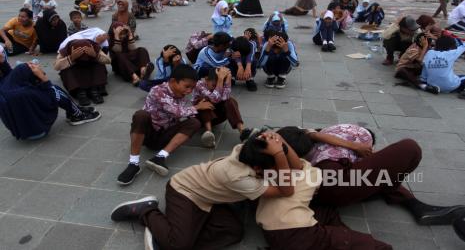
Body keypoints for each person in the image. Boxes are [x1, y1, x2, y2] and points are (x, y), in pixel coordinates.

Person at [111, 130, 299, 249]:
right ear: (259, 168)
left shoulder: (249, 150)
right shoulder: (238, 176)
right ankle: (147, 211)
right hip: (184, 190)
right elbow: (287, 191)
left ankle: (176, 231)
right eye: (276, 164)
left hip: (210, 197)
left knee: (233, 233)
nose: (281, 168)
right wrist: (279, 153)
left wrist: (279, 139)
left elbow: (297, 167)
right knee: (178, 244)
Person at [277, 125, 465, 229]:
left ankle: (415, 205)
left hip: (321, 181)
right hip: (333, 181)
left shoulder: (310, 132)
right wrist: (357, 148)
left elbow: (314, 134)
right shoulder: (357, 136)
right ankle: (409, 201)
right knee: (410, 147)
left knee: (379, 174)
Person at [256, 127, 392, 250]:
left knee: (327, 213)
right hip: (297, 235)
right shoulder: (313, 173)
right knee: (382, 248)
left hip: (269, 229)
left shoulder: (264, 170)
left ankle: (338, 238)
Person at [116, 65, 209, 185]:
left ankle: (160, 157)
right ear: (173, 81)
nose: (189, 91)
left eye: (192, 88)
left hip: (165, 134)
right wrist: (197, 107)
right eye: (187, 86)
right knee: (141, 115)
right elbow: (178, 112)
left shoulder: (182, 97)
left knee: (194, 123)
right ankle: (133, 163)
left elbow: (186, 113)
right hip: (148, 134)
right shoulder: (158, 91)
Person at [0, 61, 101, 140]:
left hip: (22, 130)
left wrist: (3, 63)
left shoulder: (5, 86)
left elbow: (11, 73)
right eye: (31, 66)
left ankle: (75, 109)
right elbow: (52, 96)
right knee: (54, 90)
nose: (32, 65)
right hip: (37, 132)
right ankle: (77, 115)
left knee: (48, 89)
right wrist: (44, 78)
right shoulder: (26, 93)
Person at [193, 67, 254, 147]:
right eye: (214, 85)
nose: (216, 87)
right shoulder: (199, 84)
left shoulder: (222, 82)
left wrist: (227, 79)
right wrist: (220, 80)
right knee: (203, 101)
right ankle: (209, 134)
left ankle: (243, 132)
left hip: (216, 116)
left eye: (218, 85)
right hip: (200, 118)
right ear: (206, 79)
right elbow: (214, 98)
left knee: (230, 100)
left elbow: (226, 97)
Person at [54, 28, 110, 106]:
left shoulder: (91, 45)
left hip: (90, 69)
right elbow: (56, 66)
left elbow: (108, 60)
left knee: (99, 64)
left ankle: (94, 90)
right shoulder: (67, 47)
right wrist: (71, 58)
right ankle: (80, 93)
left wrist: (95, 55)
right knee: (65, 69)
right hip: (76, 70)